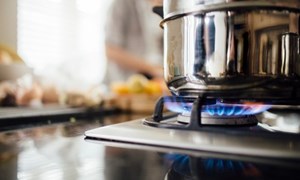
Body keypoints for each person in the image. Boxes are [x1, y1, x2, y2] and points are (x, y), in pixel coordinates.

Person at [104, 0, 163, 84]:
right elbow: (111, 50)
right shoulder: (121, 4)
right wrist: (153, 69)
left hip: (154, 82)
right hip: (124, 82)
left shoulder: (166, 5)